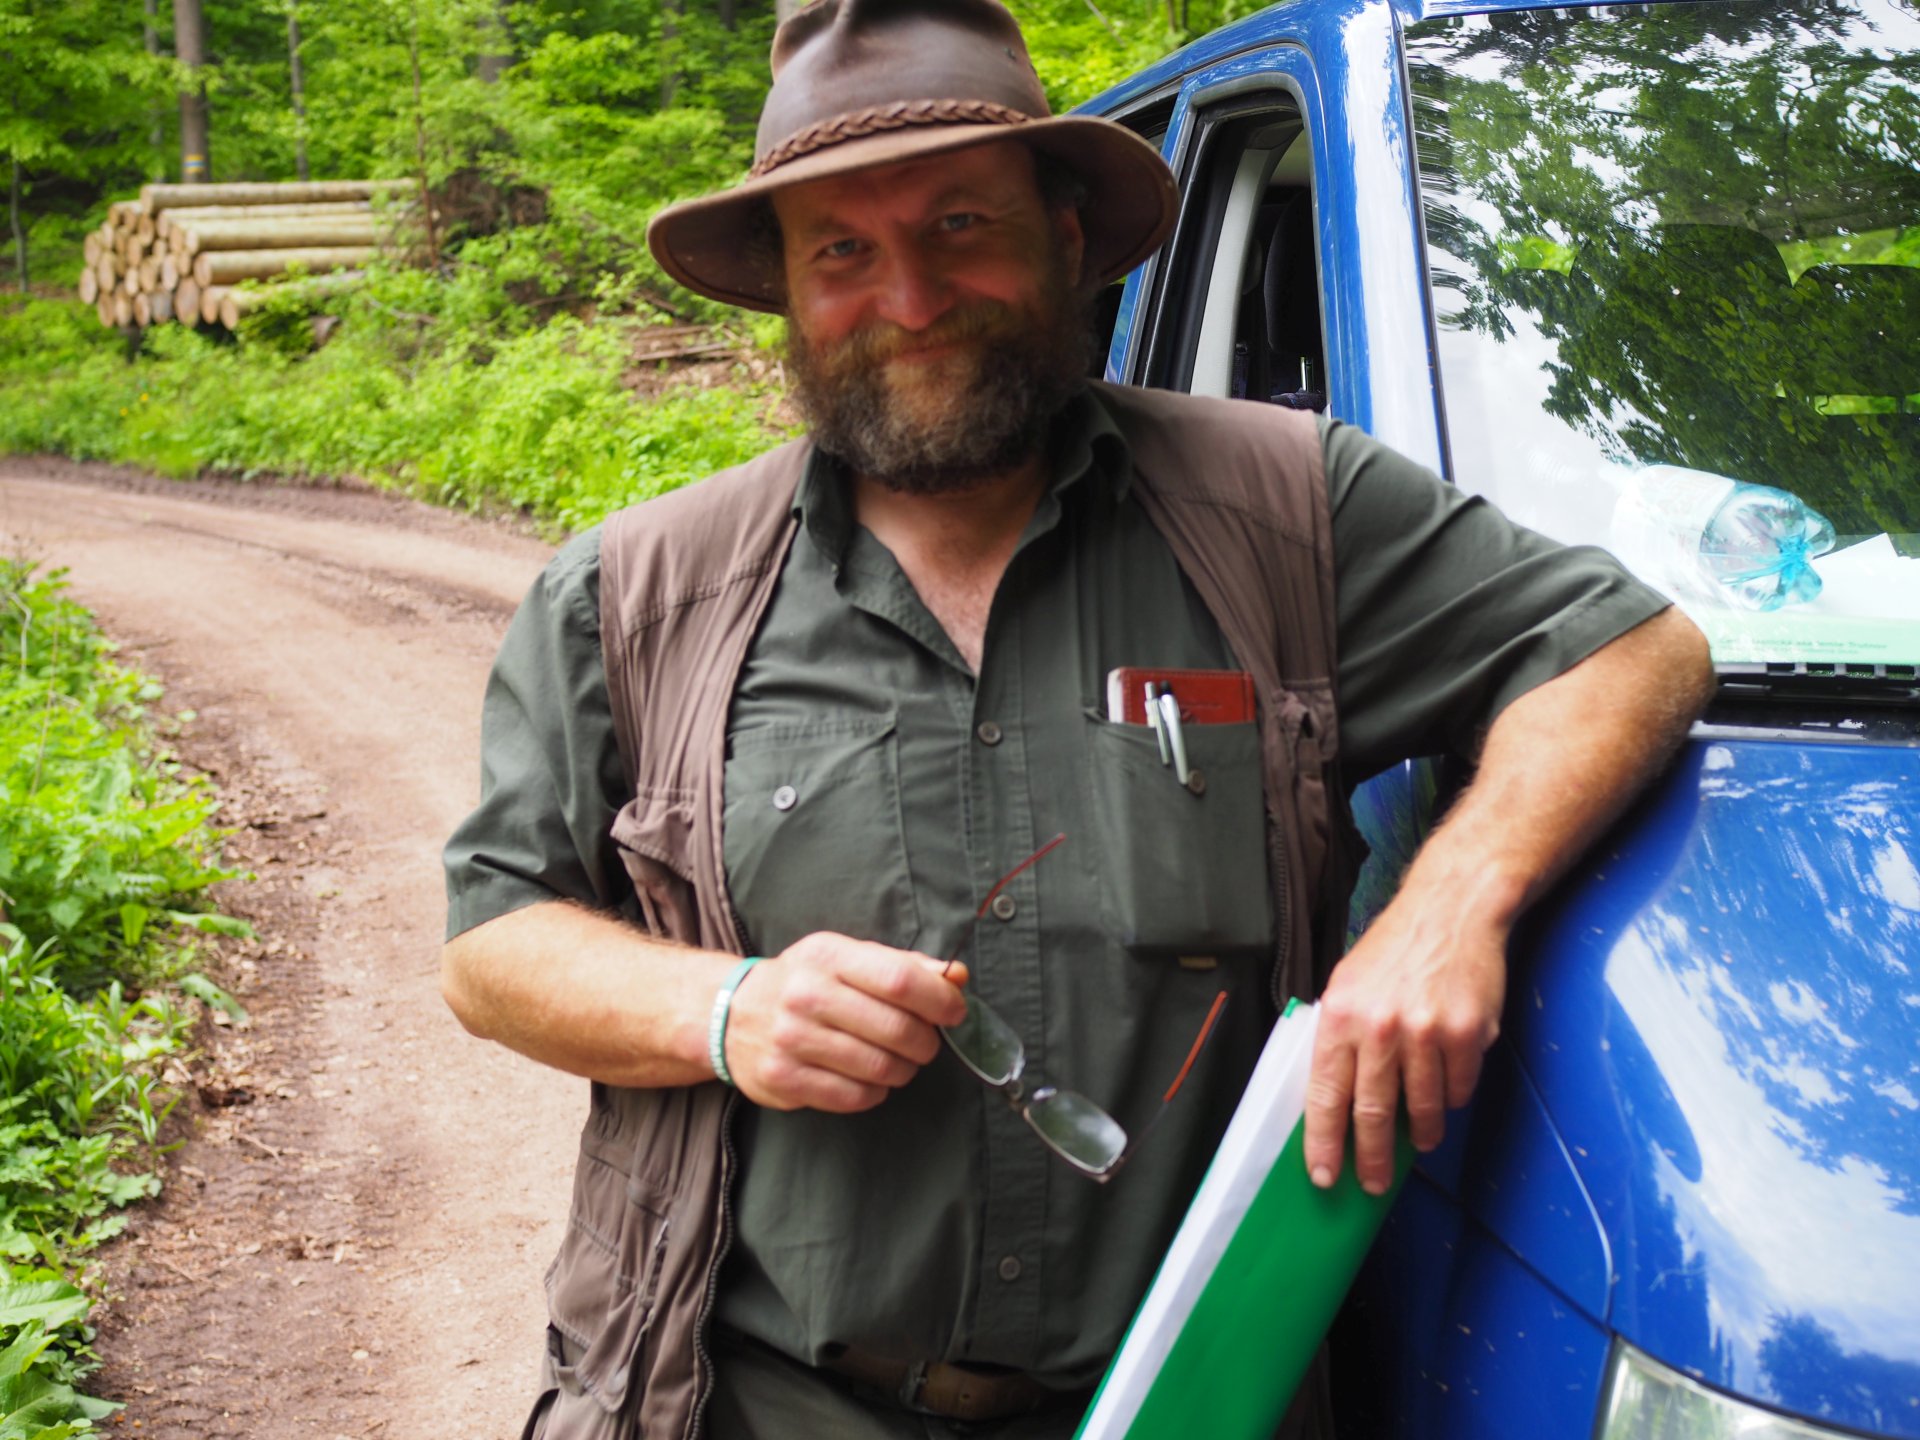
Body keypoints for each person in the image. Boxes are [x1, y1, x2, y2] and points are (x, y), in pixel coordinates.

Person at [439, 3, 1715, 1438]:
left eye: (960, 224)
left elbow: (1630, 647)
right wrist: (723, 1010)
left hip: (1190, 1405)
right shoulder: (634, 597)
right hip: (759, 1400)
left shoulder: (1288, 512)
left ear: (1064, 239)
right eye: (841, 251)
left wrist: (1448, 906)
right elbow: (492, 941)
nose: (911, 297)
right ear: (786, 291)